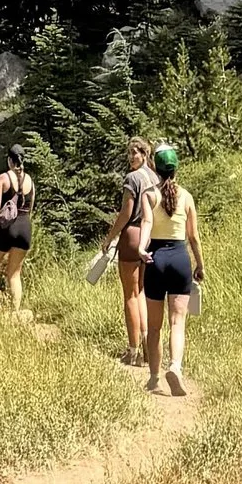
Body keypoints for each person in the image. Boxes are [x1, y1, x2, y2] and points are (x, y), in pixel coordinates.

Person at [140, 143, 203, 396]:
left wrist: (142, 249)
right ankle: (175, 367)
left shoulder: (149, 195)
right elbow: (194, 237)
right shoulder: (186, 197)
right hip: (179, 259)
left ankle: (154, 377)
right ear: (176, 168)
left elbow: (146, 222)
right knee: (177, 322)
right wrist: (200, 264)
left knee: (154, 327)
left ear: (155, 167)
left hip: (155, 260)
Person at [106, 136, 157, 366]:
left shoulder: (132, 178)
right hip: (151, 236)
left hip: (132, 236)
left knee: (130, 294)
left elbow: (126, 213)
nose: (131, 158)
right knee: (143, 293)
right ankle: (148, 346)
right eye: (129, 154)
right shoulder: (155, 177)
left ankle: (133, 349)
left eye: (134, 153)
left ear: (143, 154)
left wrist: (110, 237)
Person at [0, 144, 37, 316]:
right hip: (25, 229)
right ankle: (14, 313)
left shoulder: (3, 178)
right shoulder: (31, 181)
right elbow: (30, 209)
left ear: (9, 160)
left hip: (7, 228)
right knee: (14, 274)